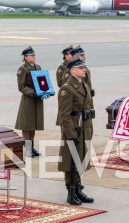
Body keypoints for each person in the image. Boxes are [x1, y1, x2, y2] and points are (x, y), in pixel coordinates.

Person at [57, 58, 94, 205]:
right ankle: (70, 191)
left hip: (84, 127)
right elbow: (64, 115)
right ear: (73, 70)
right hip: (74, 129)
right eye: (80, 67)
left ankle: (78, 188)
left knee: (81, 159)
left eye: (84, 67)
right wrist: (71, 134)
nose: (84, 69)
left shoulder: (83, 84)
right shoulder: (67, 88)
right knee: (70, 161)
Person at [15, 46, 47, 158]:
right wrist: (33, 92)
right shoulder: (23, 69)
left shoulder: (38, 67)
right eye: (31, 55)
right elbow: (21, 87)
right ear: (26, 57)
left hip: (37, 101)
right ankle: (27, 149)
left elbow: (42, 82)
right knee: (27, 126)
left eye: (34, 55)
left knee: (33, 125)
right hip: (28, 101)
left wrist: (45, 91)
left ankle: (31, 147)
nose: (34, 57)